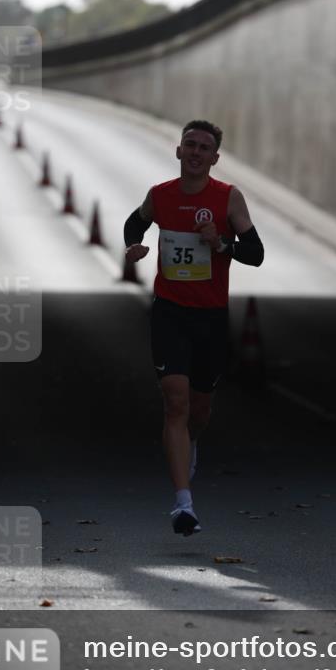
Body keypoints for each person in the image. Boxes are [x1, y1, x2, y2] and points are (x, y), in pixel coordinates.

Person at [123, 120, 264, 536]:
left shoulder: (227, 198)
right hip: (170, 312)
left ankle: (191, 444)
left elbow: (255, 254)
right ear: (179, 151)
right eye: (190, 145)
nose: (197, 152)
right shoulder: (160, 195)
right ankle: (183, 503)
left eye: (205, 147)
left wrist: (222, 244)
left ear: (215, 158)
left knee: (198, 412)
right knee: (175, 403)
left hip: (210, 317)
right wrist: (134, 245)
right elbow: (137, 223)